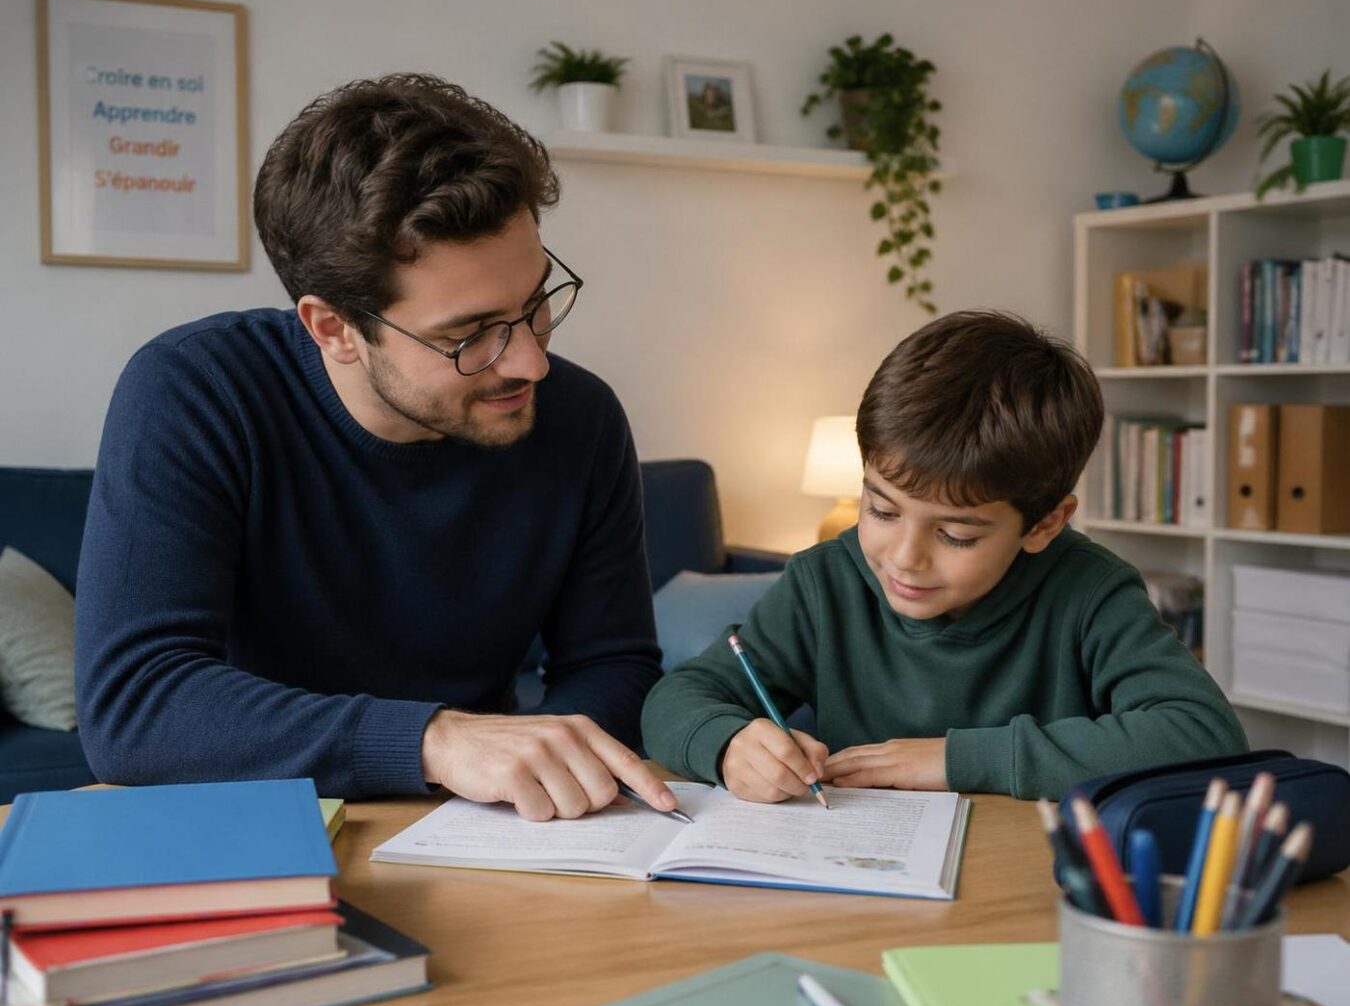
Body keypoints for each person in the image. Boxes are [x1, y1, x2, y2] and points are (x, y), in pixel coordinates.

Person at [75, 73, 681, 822]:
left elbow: (612, 663)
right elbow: (136, 704)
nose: (530, 362)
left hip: (484, 825)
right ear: (332, 328)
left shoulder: (581, 419)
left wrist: (550, 763)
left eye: (536, 305)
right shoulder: (196, 392)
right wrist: (434, 740)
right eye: (469, 335)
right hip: (256, 822)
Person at [641, 310, 1247, 802]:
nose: (904, 559)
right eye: (881, 510)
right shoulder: (826, 582)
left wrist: (959, 758)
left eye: (956, 536)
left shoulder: (1090, 593)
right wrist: (727, 744)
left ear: (1045, 523)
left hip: (1031, 891)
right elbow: (676, 698)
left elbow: (1203, 734)